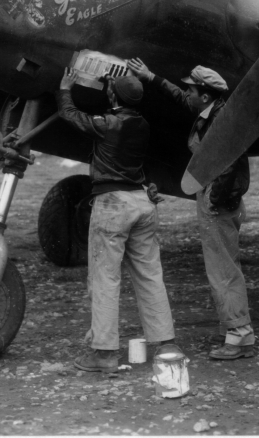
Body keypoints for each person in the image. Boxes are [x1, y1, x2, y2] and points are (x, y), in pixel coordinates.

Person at [56, 68, 183, 373]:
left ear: (113, 96)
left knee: (105, 279)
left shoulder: (108, 124)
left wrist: (65, 87)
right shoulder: (143, 125)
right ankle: (166, 344)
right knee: (150, 275)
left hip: (113, 204)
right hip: (142, 202)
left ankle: (105, 354)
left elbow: (70, 115)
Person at [126, 59, 254, 360]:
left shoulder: (222, 122)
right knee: (223, 268)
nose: (188, 94)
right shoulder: (212, 109)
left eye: (191, 90)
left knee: (222, 271)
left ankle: (239, 335)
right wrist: (152, 76)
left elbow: (229, 164)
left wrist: (213, 199)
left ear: (205, 96)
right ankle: (237, 332)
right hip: (216, 198)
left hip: (219, 202)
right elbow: (179, 98)